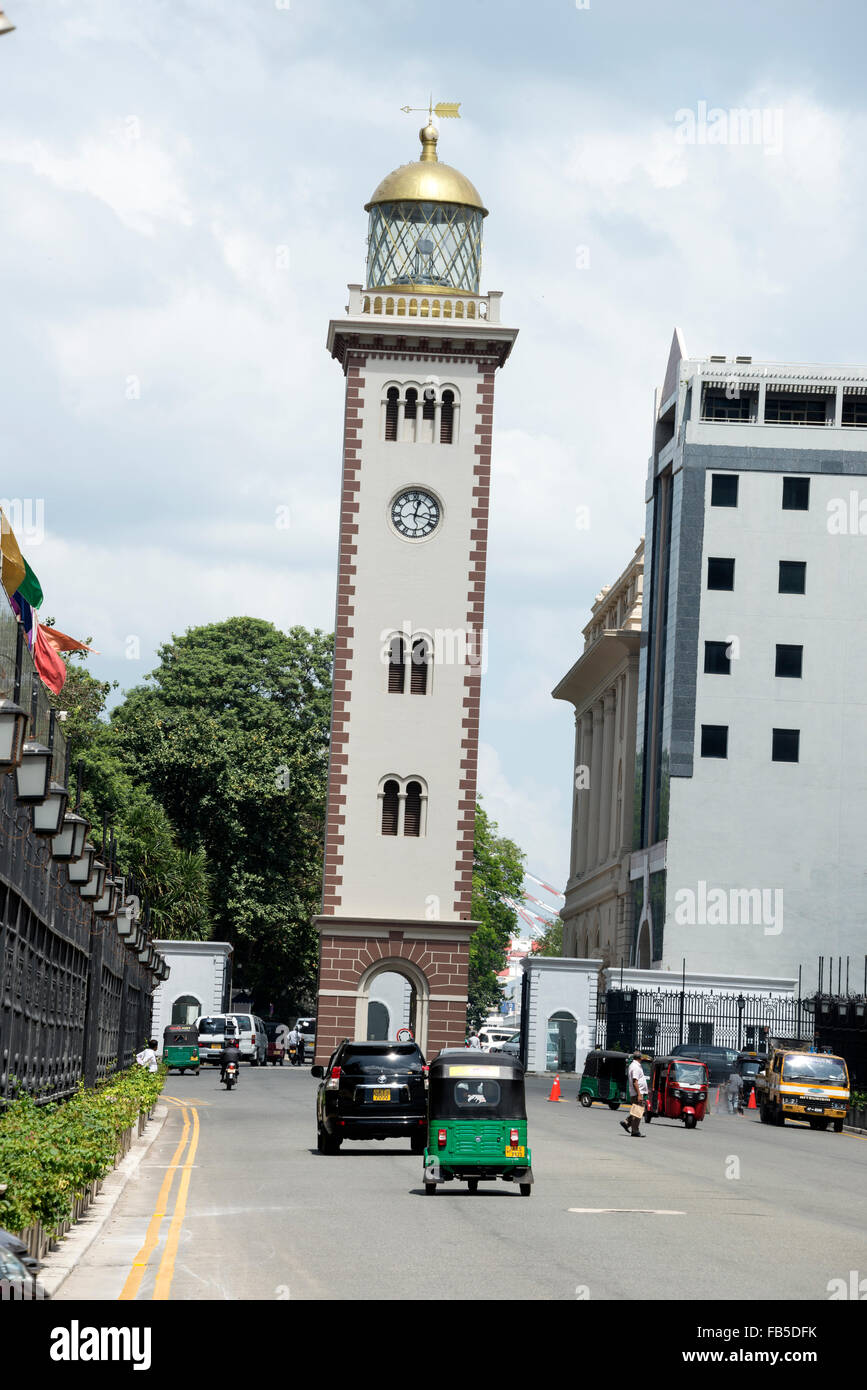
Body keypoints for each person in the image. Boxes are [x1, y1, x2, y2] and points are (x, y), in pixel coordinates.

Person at [620, 1050, 647, 1137]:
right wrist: (639, 1094)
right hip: (637, 1093)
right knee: (638, 1112)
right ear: (640, 1057)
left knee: (637, 1111)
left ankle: (627, 1122)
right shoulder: (635, 1067)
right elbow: (635, 1081)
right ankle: (635, 1130)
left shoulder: (634, 1065)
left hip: (637, 1093)